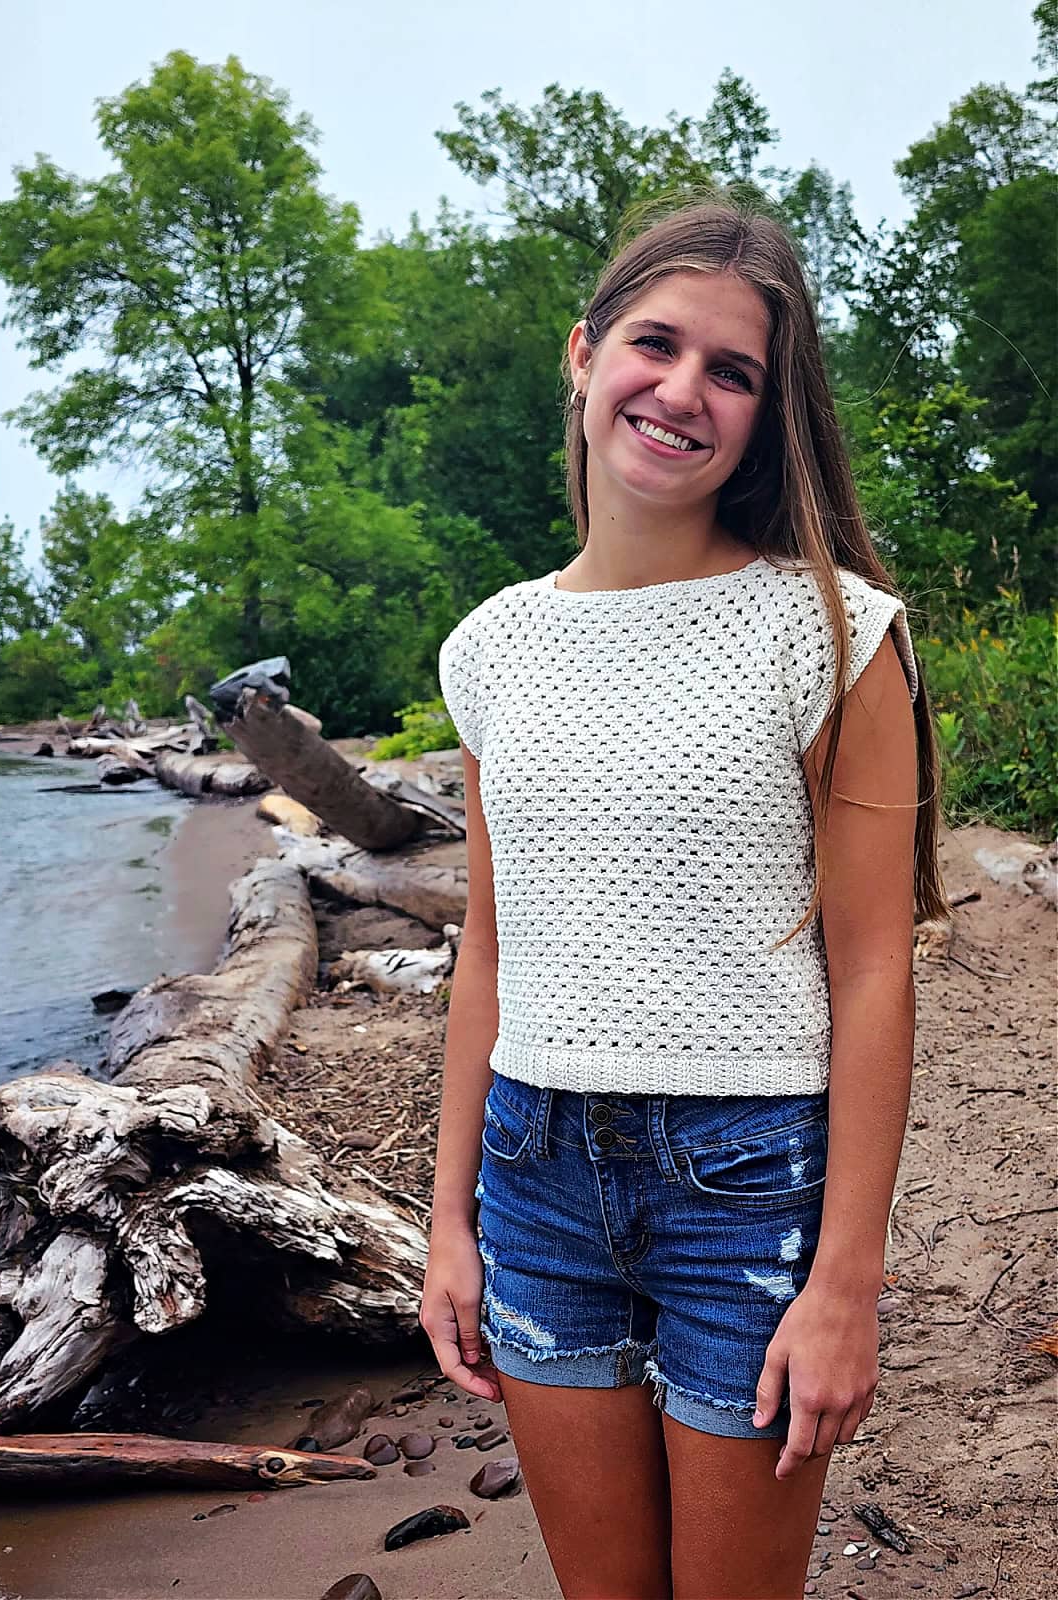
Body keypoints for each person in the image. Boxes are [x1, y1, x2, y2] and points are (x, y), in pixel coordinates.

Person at [419, 190, 951, 1600]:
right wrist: (449, 1221)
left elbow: (874, 972)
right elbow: (491, 951)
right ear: (584, 354)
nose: (683, 391)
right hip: (531, 1184)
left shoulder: (830, 632)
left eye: (734, 371)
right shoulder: (490, 649)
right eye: (656, 345)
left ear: (769, 413)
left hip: (750, 1186)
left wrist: (846, 1289)